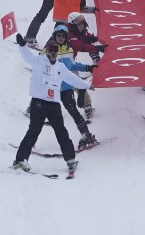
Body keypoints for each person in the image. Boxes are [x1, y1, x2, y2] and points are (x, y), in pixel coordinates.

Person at [11, 33, 88, 176]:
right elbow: (27, 55)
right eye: (50, 52)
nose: (53, 55)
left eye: (55, 52)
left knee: (61, 132)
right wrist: (22, 45)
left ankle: (70, 159)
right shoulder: (38, 61)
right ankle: (20, 160)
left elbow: (72, 78)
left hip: (53, 106)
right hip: (38, 104)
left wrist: (87, 85)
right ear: (47, 52)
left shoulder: (60, 67)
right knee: (33, 132)